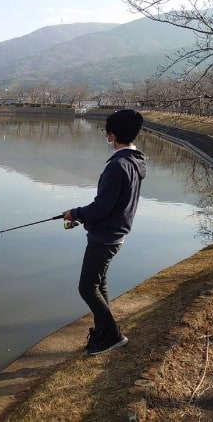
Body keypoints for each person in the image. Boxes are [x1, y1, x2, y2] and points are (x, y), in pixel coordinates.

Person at [63, 109, 147, 356]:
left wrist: (75, 213)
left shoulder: (118, 166)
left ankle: (113, 335)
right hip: (116, 233)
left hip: (105, 236)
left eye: (107, 132)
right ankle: (102, 331)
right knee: (99, 283)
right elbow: (109, 204)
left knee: (87, 287)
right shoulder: (135, 161)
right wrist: (80, 214)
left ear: (112, 134)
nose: (106, 136)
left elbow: (101, 207)